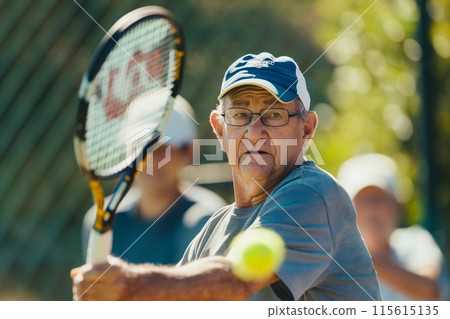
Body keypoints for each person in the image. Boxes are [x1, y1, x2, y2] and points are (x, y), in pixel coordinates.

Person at [72, 52, 381, 301]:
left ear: (306, 129)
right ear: (220, 130)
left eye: (274, 114)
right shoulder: (209, 235)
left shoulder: (314, 195)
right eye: (240, 115)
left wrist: (131, 285)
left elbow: (235, 281)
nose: (254, 132)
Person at [81, 96, 226, 265]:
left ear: (189, 152)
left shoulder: (206, 220)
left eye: (163, 149)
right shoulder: (100, 220)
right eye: (142, 148)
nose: (150, 160)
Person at [338, 153, 449, 300]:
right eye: (362, 200)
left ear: (397, 205)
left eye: (378, 198)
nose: (371, 209)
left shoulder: (415, 241)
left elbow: (430, 293)